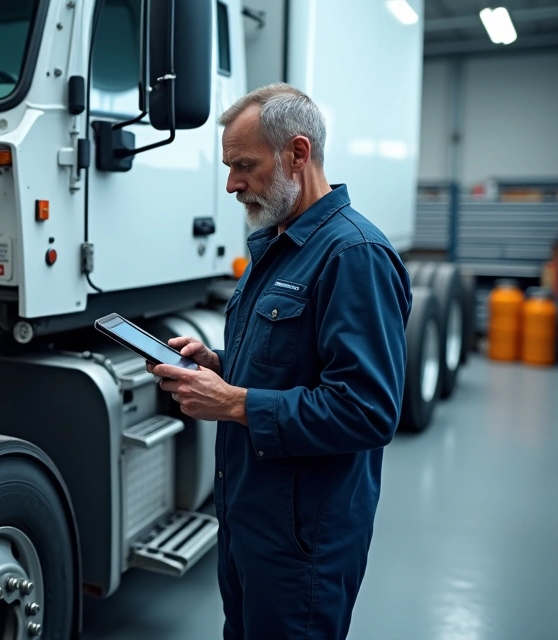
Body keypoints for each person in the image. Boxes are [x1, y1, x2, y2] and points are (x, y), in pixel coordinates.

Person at [148, 83, 412, 639]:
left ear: (298, 152)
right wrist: (221, 367)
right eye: (228, 166)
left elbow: (368, 411)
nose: (231, 184)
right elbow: (292, 363)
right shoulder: (278, 246)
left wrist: (236, 403)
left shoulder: (354, 255)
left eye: (244, 165)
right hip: (251, 521)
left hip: (303, 542)